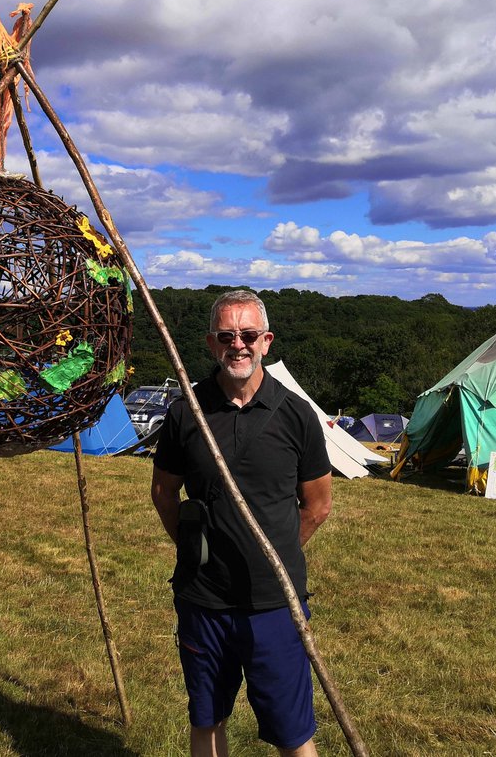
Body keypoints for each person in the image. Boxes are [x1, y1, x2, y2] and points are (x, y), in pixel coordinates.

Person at [151, 290, 332, 757]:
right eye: (227, 336)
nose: (239, 345)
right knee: (207, 719)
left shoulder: (296, 415)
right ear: (212, 343)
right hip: (204, 600)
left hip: (275, 602)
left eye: (249, 335)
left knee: (293, 732)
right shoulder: (184, 412)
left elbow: (317, 506)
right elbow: (163, 492)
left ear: (266, 341)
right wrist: (194, 550)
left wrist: (275, 550)